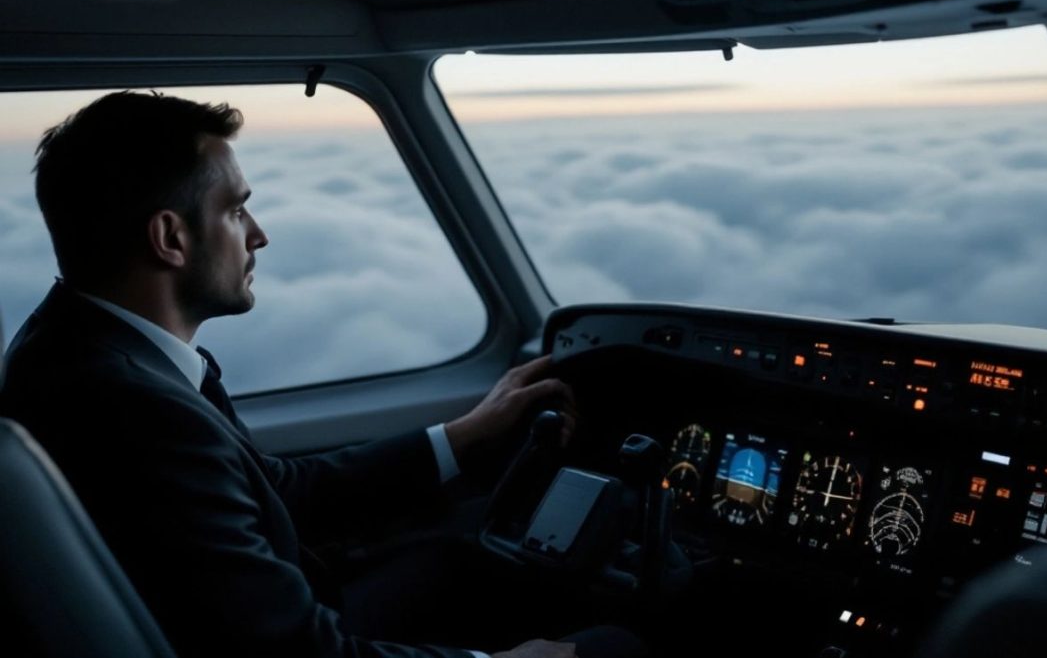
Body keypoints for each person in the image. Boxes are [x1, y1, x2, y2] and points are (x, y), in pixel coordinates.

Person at [0, 92, 645, 658]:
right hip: (285, 632)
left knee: (467, 551)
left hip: (261, 608)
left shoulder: (78, 344)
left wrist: (463, 435)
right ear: (170, 238)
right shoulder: (132, 408)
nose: (259, 235)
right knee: (618, 642)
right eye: (235, 211)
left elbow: (272, 491)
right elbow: (295, 650)